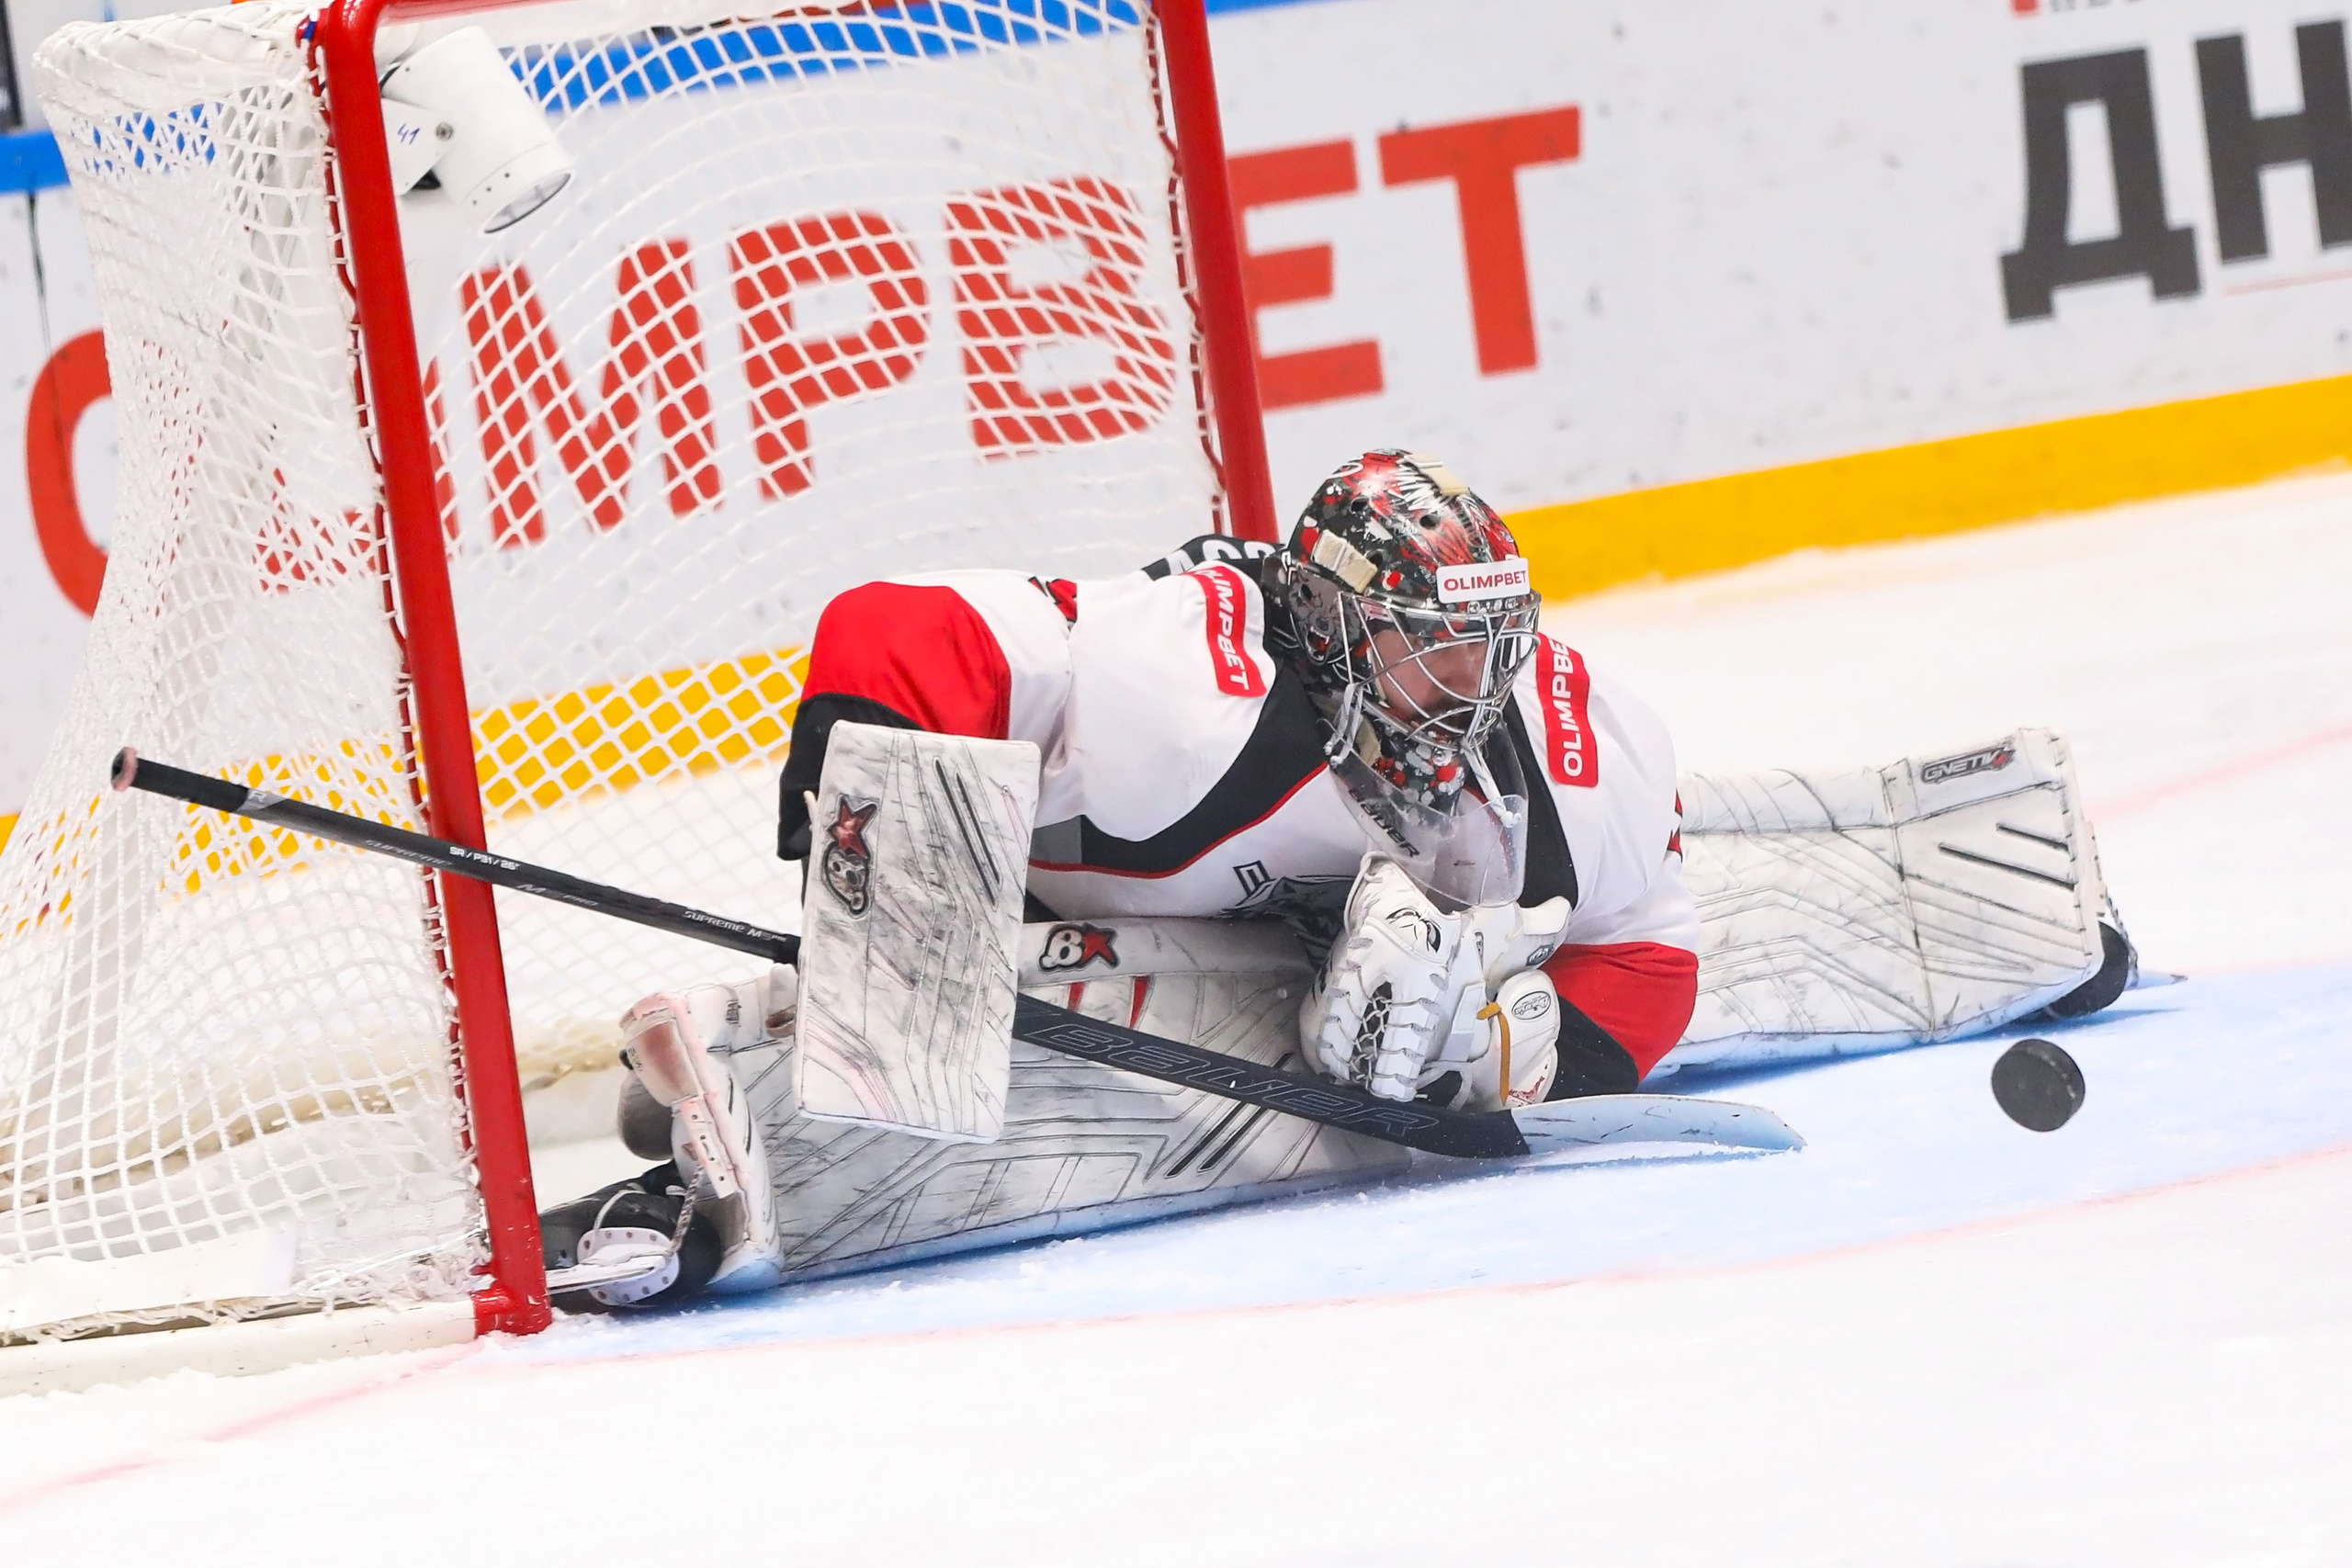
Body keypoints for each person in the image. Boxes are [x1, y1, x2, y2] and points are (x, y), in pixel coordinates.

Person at [539, 449, 1700, 1307]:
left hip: (1258, 936)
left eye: (1490, 649)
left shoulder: (1572, 751)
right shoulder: (1185, 686)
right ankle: (754, 1093)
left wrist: (1535, 1066)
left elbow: (1655, 946)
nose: (1467, 692)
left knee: (1432, 988)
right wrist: (891, 917)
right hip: (1057, 909)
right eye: (1425, 652)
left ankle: (739, 1084)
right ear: (1331, 634)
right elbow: (898, 629)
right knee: (904, 1058)